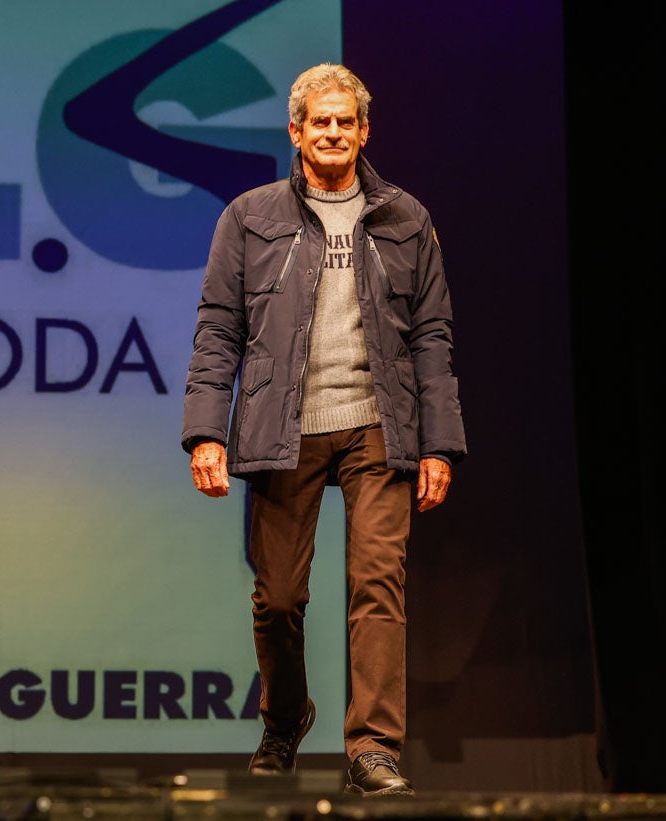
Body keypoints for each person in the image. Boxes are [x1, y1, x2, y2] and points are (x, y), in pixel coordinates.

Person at [181, 63, 464, 797]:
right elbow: (218, 329)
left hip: (379, 424)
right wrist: (205, 430)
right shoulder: (250, 216)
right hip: (283, 424)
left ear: (363, 131)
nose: (332, 132)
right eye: (320, 121)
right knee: (276, 595)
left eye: (345, 121)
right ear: (296, 132)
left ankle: (372, 747)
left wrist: (439, 442)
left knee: (377, 584)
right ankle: (284, 716)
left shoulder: (406, 217)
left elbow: (431, 335)